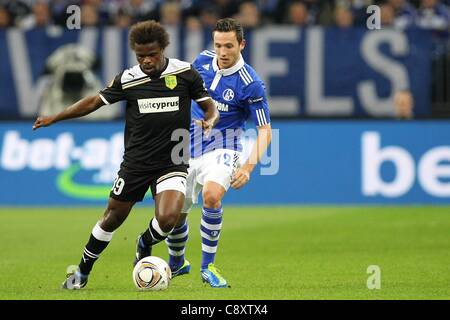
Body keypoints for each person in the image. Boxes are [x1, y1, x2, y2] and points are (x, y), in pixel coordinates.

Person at [32, 20, 219, 290]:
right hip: (136, 164)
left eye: (151, 54)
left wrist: (210, 119)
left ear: (163, 48)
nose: (146, 60)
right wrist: (55, 117)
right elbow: (94, 102)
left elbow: (209, 107)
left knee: (168, 219)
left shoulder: (185, 74)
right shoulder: (128, 79)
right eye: (140, 55)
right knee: (112, 218)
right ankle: (82, 272)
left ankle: (144, 242)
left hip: (172, 162)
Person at [160, 17, 272, 288]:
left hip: (225, 146)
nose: (223, 52)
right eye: (219, 45)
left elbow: (265, 130)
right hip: (187, 146)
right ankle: (177, 264)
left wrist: (247, 167)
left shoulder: (251, 83)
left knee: (211, 196)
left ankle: (207, 267)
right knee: (175, 212)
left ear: (242, 44)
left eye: (229, 46)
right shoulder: (201, 61)